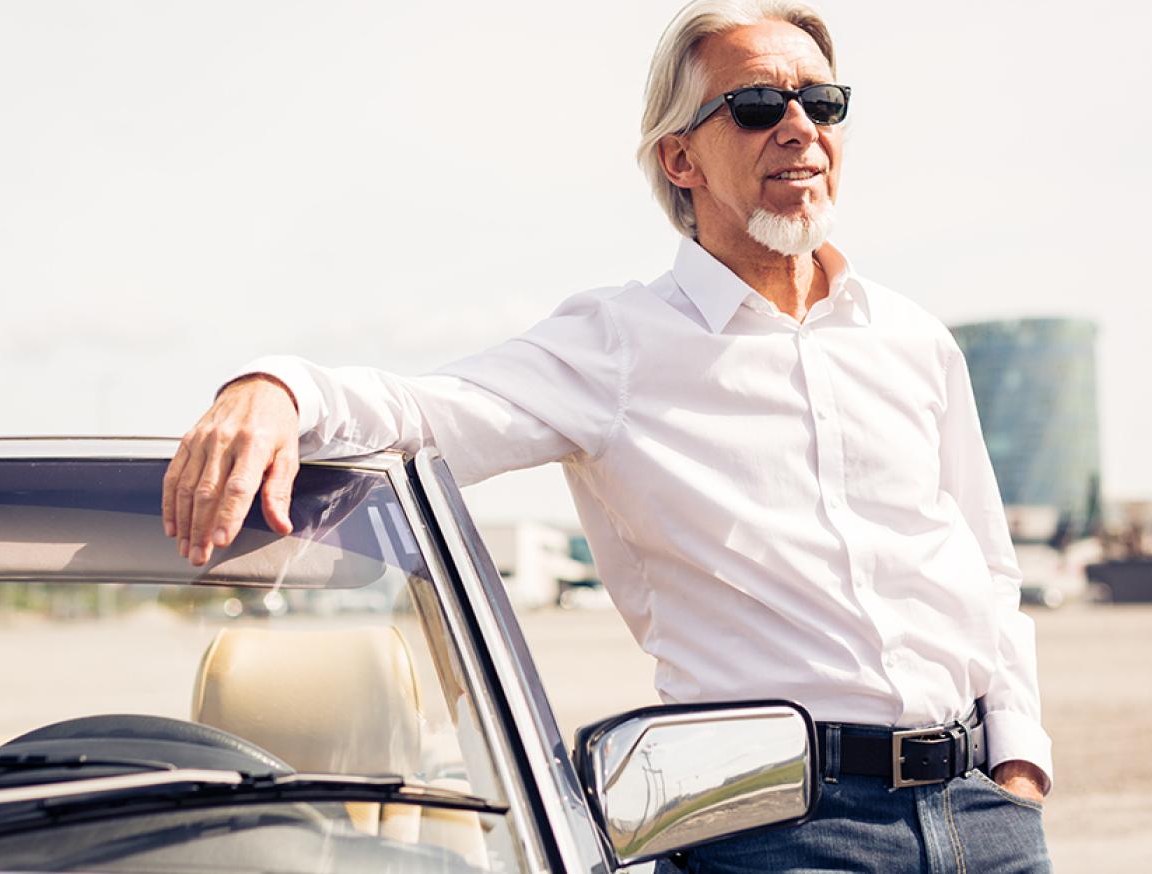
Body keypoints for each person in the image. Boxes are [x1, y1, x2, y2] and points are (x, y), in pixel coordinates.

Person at [161, 1, 1053, 870]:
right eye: (755, 106)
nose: (798, 126)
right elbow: (426, 411)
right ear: (679, 157)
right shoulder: (617, 345)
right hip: (779, 830)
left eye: (822, 103)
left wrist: (1018, 760)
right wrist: (276, 389)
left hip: (984, 814)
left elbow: (984, 565)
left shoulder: (914, 340)